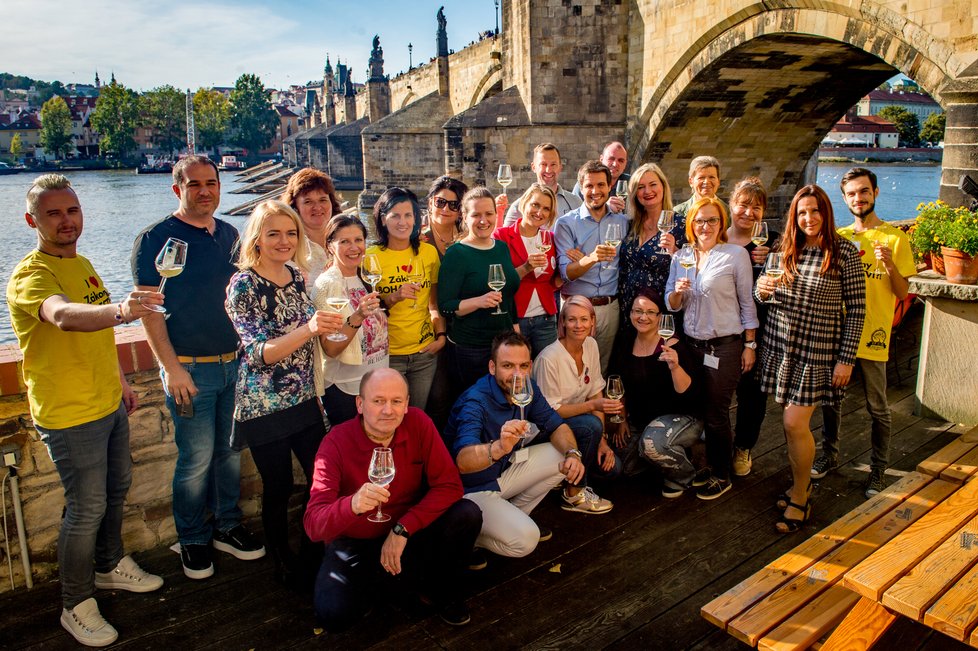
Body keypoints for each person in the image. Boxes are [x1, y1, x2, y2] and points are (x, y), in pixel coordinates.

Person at [8, 174, 164, 647]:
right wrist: (121, 310)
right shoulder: (31, 275)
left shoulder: (86, 265)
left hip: (106, 401)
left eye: (71, 211)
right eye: (53, 213)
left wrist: (119, 381)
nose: (65, 221)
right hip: (69, 412)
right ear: (32, 220)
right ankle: (75, 604)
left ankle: (110, 564)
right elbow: (62, 315)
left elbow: (97, 333)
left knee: (116, 490)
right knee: (85, 508)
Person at [132, 155, 265, 580]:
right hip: (190, 369)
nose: (205, 191)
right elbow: (149, 311)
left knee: (229, 454)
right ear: (178, 190)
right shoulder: (156, 238)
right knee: (195, 459)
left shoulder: (228, 233)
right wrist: (171, 369)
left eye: (212, 182)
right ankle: (192, 538)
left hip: (234, 366)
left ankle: (227, 526)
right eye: (194, 185)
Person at [303, 368, 482, 629]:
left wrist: (403, 528)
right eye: (378, 401)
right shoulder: (336, 442)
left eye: (396, 401)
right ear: (360, 404)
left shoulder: (418, 423)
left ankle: (441, 591)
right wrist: (351, 505)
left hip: (406, 534)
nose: (388, 410)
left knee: (467, 513)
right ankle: (388, 586)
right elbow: (312, 524)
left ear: (407, 404)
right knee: (334, 615)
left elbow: (450, 485)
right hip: (356, 540)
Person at [225, 201, 344, 589]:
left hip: (305, 398)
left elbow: (311, 332)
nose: (284, 240)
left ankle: (315, 551)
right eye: (273, 233)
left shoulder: (295, 275)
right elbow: (260, 354)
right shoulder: (243, 284)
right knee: (277, 486)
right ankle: (282, 560)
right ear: (256, 239)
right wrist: (310, 329)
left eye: (290, 233)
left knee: (318, 480)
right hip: (265, 405)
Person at [755, 184, 865, 533]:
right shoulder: (784, 247)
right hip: (782, 346)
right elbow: (762, 290)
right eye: (802, 212)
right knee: (791, 425)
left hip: (818, 351)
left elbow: (858, 310)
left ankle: (801, 495)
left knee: (793, 424)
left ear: (826, 213)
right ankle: (796, 484)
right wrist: (763, 290)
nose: (808, 218)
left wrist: (846, 359)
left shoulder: (844, 252)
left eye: (814, 211)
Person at [443, 332, 592, 564]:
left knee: (561, 455)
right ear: (492, 367)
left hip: (501, 474)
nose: (517, 375)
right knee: (526, 540)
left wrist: (573, 454)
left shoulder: (528, 388)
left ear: (530, 366)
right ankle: (470, 536)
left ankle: (516, 515)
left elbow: (556, 426)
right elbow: (462, 461)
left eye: (523, 366)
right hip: (471, 490)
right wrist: (499, 447)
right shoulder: (475, 401)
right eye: (507, 366)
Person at [815, 168, 915, 497]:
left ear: (875, 193)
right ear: (844, 199)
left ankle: (878, 469)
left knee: (878, 407)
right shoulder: (839, 238)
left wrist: (889, 265)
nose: (859, 198)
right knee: (833, 401)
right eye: (852, 194)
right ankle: (829, 455)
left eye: (864, 191)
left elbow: (902, 294)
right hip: (838, 334)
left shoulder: (895, 239)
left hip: (873, 333)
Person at [665, 197, 758, 500]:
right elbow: (671, 304)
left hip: (724, 347)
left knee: (717, 412)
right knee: (696, 409)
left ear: (721, 224)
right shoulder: (681, 256)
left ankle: (722, 474)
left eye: (712, 220)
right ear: (691, 223)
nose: (706, 226)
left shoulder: (735, 255)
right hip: (691, 346)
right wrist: (677, 293)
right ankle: (704, 465)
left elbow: (747, 304)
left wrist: (750, 344)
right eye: (700, 220)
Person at [608, 290, 703, 496]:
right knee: (624, 466)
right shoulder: (625, 340)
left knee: (652, 445)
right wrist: (622, 419)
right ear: (630, 313)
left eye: (651, 312)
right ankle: (665, 455)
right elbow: (618, 383)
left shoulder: (672, 345)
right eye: (638, 311)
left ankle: (686, 475)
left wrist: (675, 367)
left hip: (682, 416)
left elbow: (687, 394)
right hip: (641, 420)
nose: (643, 317)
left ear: (660, 317)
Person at [365, 187, 444, 410]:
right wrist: (395, 296)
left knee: (417, 414)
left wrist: (440, 336)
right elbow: (368, 308)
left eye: (408, 215)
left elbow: (433, 304)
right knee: (389, 415)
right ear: (383, 218)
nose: (403, 222)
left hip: (423, 353)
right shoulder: (370, 257)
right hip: (387, 354)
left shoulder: (428, 253)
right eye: (395, 216)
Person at [533, 296, 622, 490]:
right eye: (572, 319)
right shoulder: (549, 358)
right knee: (591, 425)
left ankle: (564, 476)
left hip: (582, 426)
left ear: (592, 321)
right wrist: (592, 408)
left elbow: (596, 391)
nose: (578, 325)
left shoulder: (591, 345)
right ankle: (575, 491)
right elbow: (550, 412)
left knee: (614, 470)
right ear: (563, 322)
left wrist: (602, 441)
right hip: (548, 428)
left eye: (584, 319)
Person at [438, 187, 520, 396]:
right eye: (476, 215)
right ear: (465, 217)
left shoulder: (501, 248)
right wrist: (479, 301)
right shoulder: (457, 253)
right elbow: (445, 306)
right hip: (471, 349)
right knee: (475, 405)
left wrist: (516, 330)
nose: (483, 220)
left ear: (496, 214)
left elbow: (509, 295)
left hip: (503, 344)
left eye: (489, 214)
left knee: (503, 402)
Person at [724, 177, 779, 477]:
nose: (748, 212)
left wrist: (772, 260)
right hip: (721, 327)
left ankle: (743, 446)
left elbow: (784, 281)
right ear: (731, 205)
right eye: (743, 205)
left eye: (756, 207)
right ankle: (716, 438)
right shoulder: (717, 237)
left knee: (752, 392)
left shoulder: (772, 243)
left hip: (758, 329)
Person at [554, 160, 629, 373]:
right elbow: (566, 273)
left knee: (601, 369)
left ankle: (595, 406)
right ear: (581, 188)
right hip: (576, 307)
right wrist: (591, 258)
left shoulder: (622, 222)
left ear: (609, 187)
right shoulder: (567, 223)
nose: (595, 191)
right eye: (589, 186)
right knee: (570, 368)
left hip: (609, 308)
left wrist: (582, 259)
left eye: (600, 185)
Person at [317, 214, 388, 424]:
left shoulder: (364, 277)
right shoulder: (327, 285)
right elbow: (330, 347)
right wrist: (357, 316)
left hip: (375, 383)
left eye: (358, 240)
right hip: (346, 389)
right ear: (330, 246)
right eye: (344, 241)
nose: (354, 247)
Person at [493, 183, 561, 357]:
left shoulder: (550, 238)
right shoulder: (501, 236)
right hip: (514, 319)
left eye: (546, 209)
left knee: (548, 372)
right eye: (535, 205)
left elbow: (554, 281)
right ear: (524, 203)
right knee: (517, 373)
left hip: (546, 318)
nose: (540, 212)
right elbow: (497, 281)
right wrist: (526, 268)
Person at [618, 163, 684, 328]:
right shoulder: (630, 224)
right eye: (641, 187)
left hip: (659, 312)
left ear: (663, 186)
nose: (647, 191)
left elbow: (694, 266)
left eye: (653, 184)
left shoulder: (680, 225)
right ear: (635, 193)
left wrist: (675, 252)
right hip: (628, 308)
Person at [281, 167, 343, 298]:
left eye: (323, 200)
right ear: (295, 207)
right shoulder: (289, 247)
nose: (317, 207)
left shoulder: (346, 240)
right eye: (308, 202)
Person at [500, 143, 583, 227]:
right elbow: (502, 238)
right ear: (533, 167)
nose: (548, 170)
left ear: (560, 167)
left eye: (553, 164)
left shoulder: (576, 203)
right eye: (543, 164)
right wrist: (499, 214)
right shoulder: (518, 207)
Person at [573, 141, 630, 213]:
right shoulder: (585, 184)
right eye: (611, 159)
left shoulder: (631, 183)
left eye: (621, 160)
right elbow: (575, 215)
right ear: (601, 159)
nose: (615, 164)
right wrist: (605, 208)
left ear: (625, 164)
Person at [420, 175, 468, 260]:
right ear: (430, 203)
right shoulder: (417, 230)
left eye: (453, 205)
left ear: (461, 210)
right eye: (440, 202)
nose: (445, 209)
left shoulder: (466, 232)